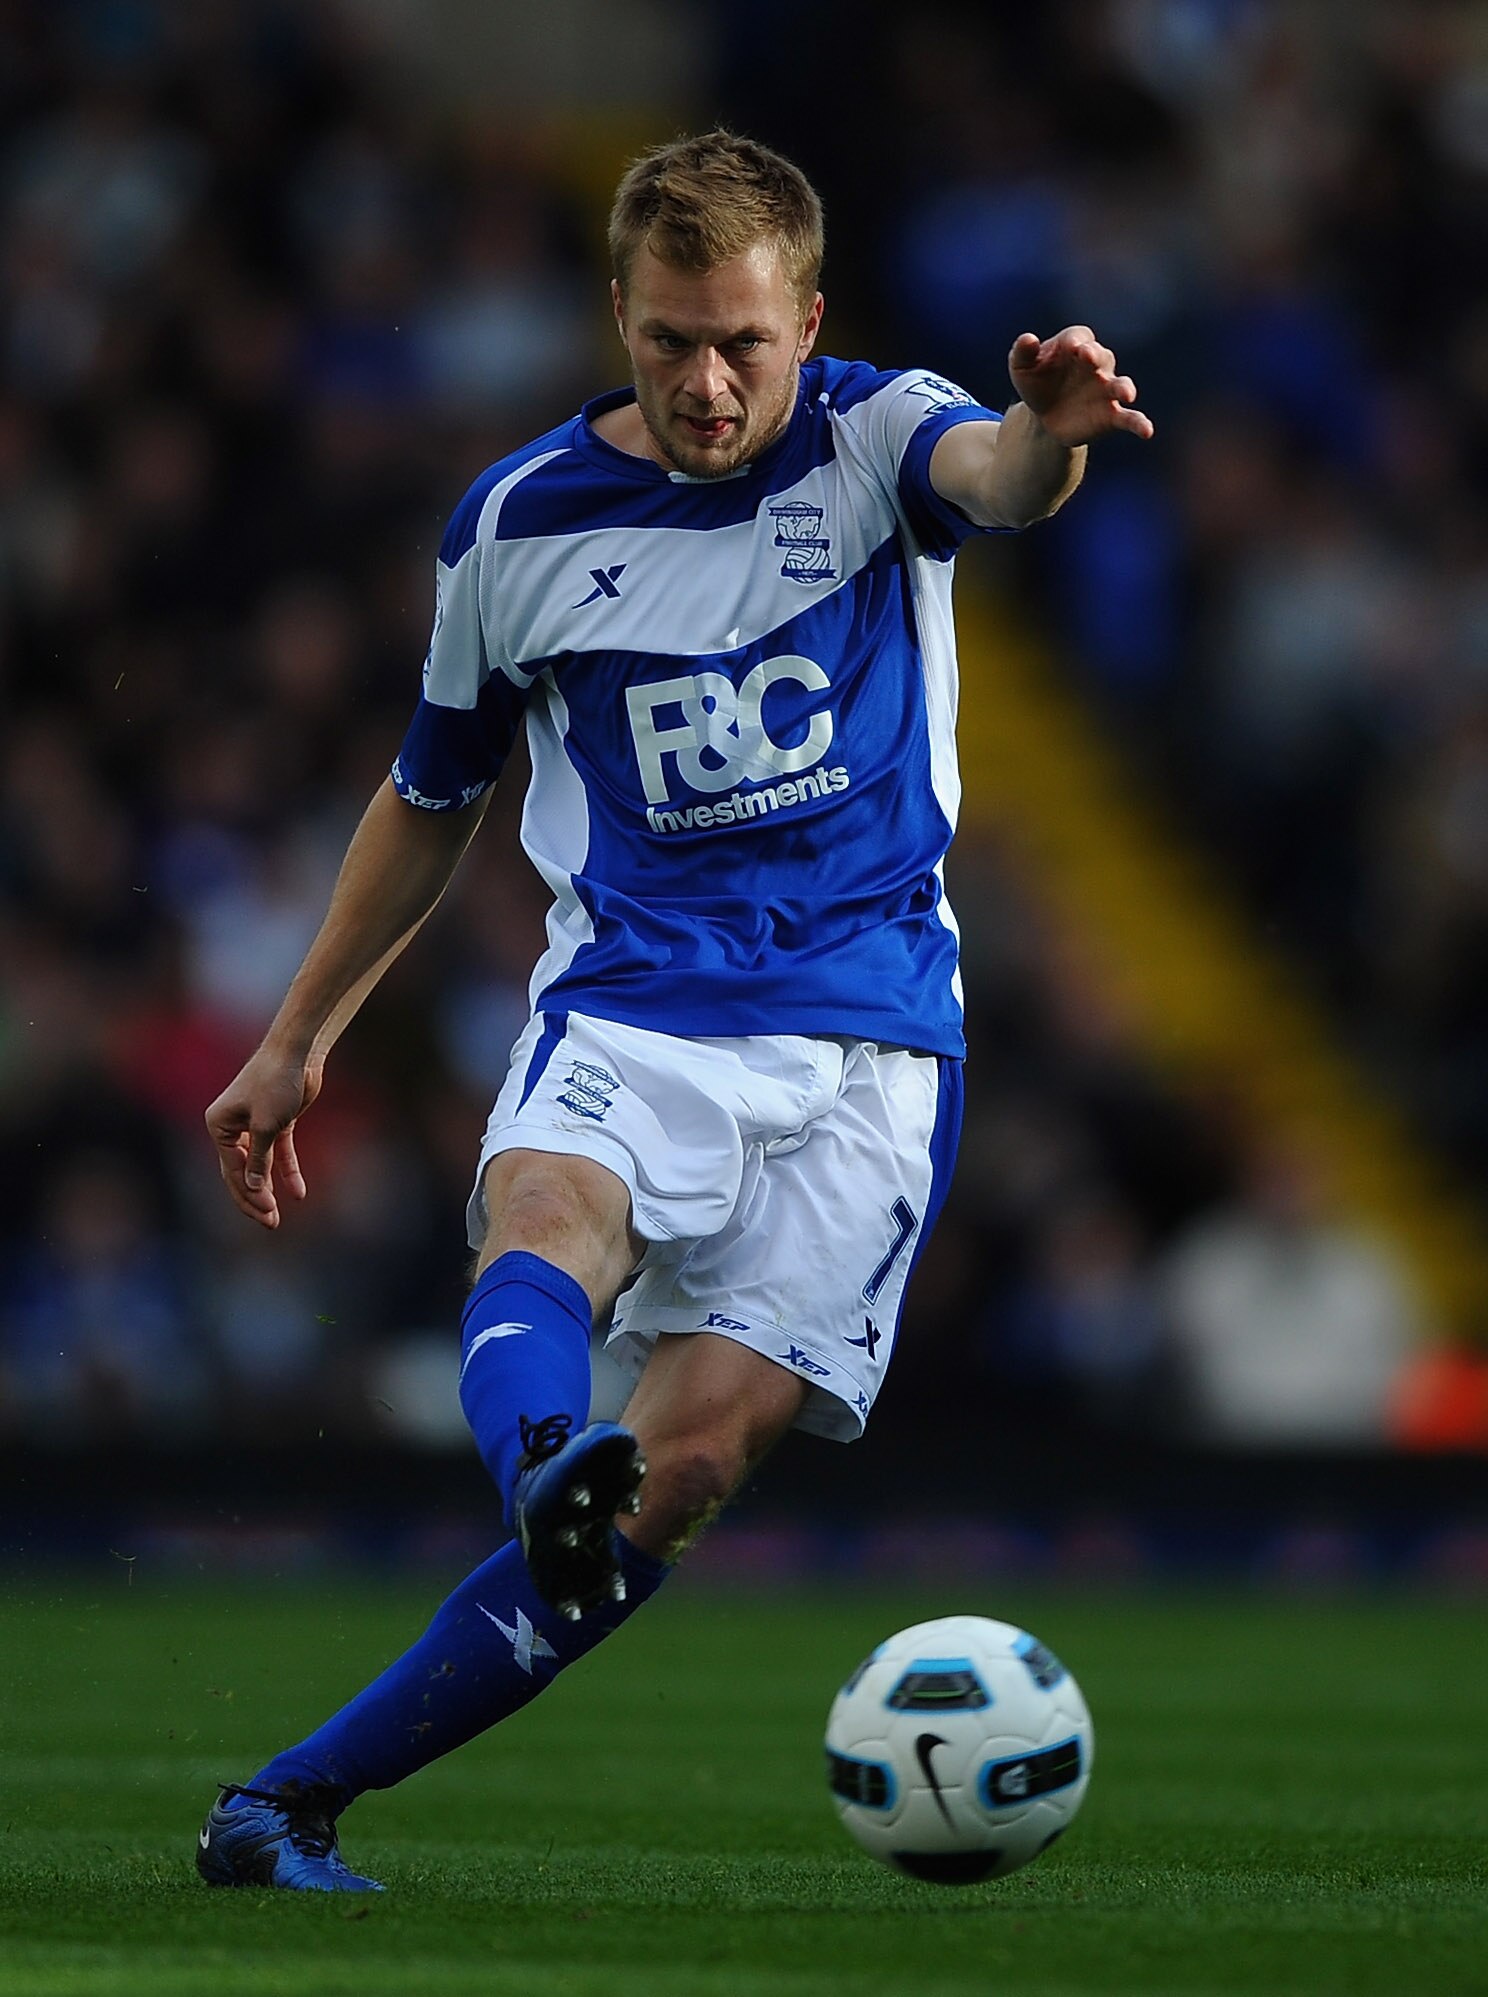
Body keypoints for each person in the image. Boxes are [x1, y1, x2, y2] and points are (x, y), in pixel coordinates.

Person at [195, 129, 1151, 1891]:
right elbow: (429, 795)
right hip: (637, 999)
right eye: (667, 342)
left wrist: (1050, 429)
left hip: (869, 1044)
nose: (707, 384)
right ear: (617, 318)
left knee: (691, 1462)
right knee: (547, 1217)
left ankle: (285, 1801)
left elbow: (1001, 477)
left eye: (742, 344)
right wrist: (296, 1032)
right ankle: (542, 1453)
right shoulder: (516, 526)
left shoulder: (874, 437)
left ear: (810, 324)